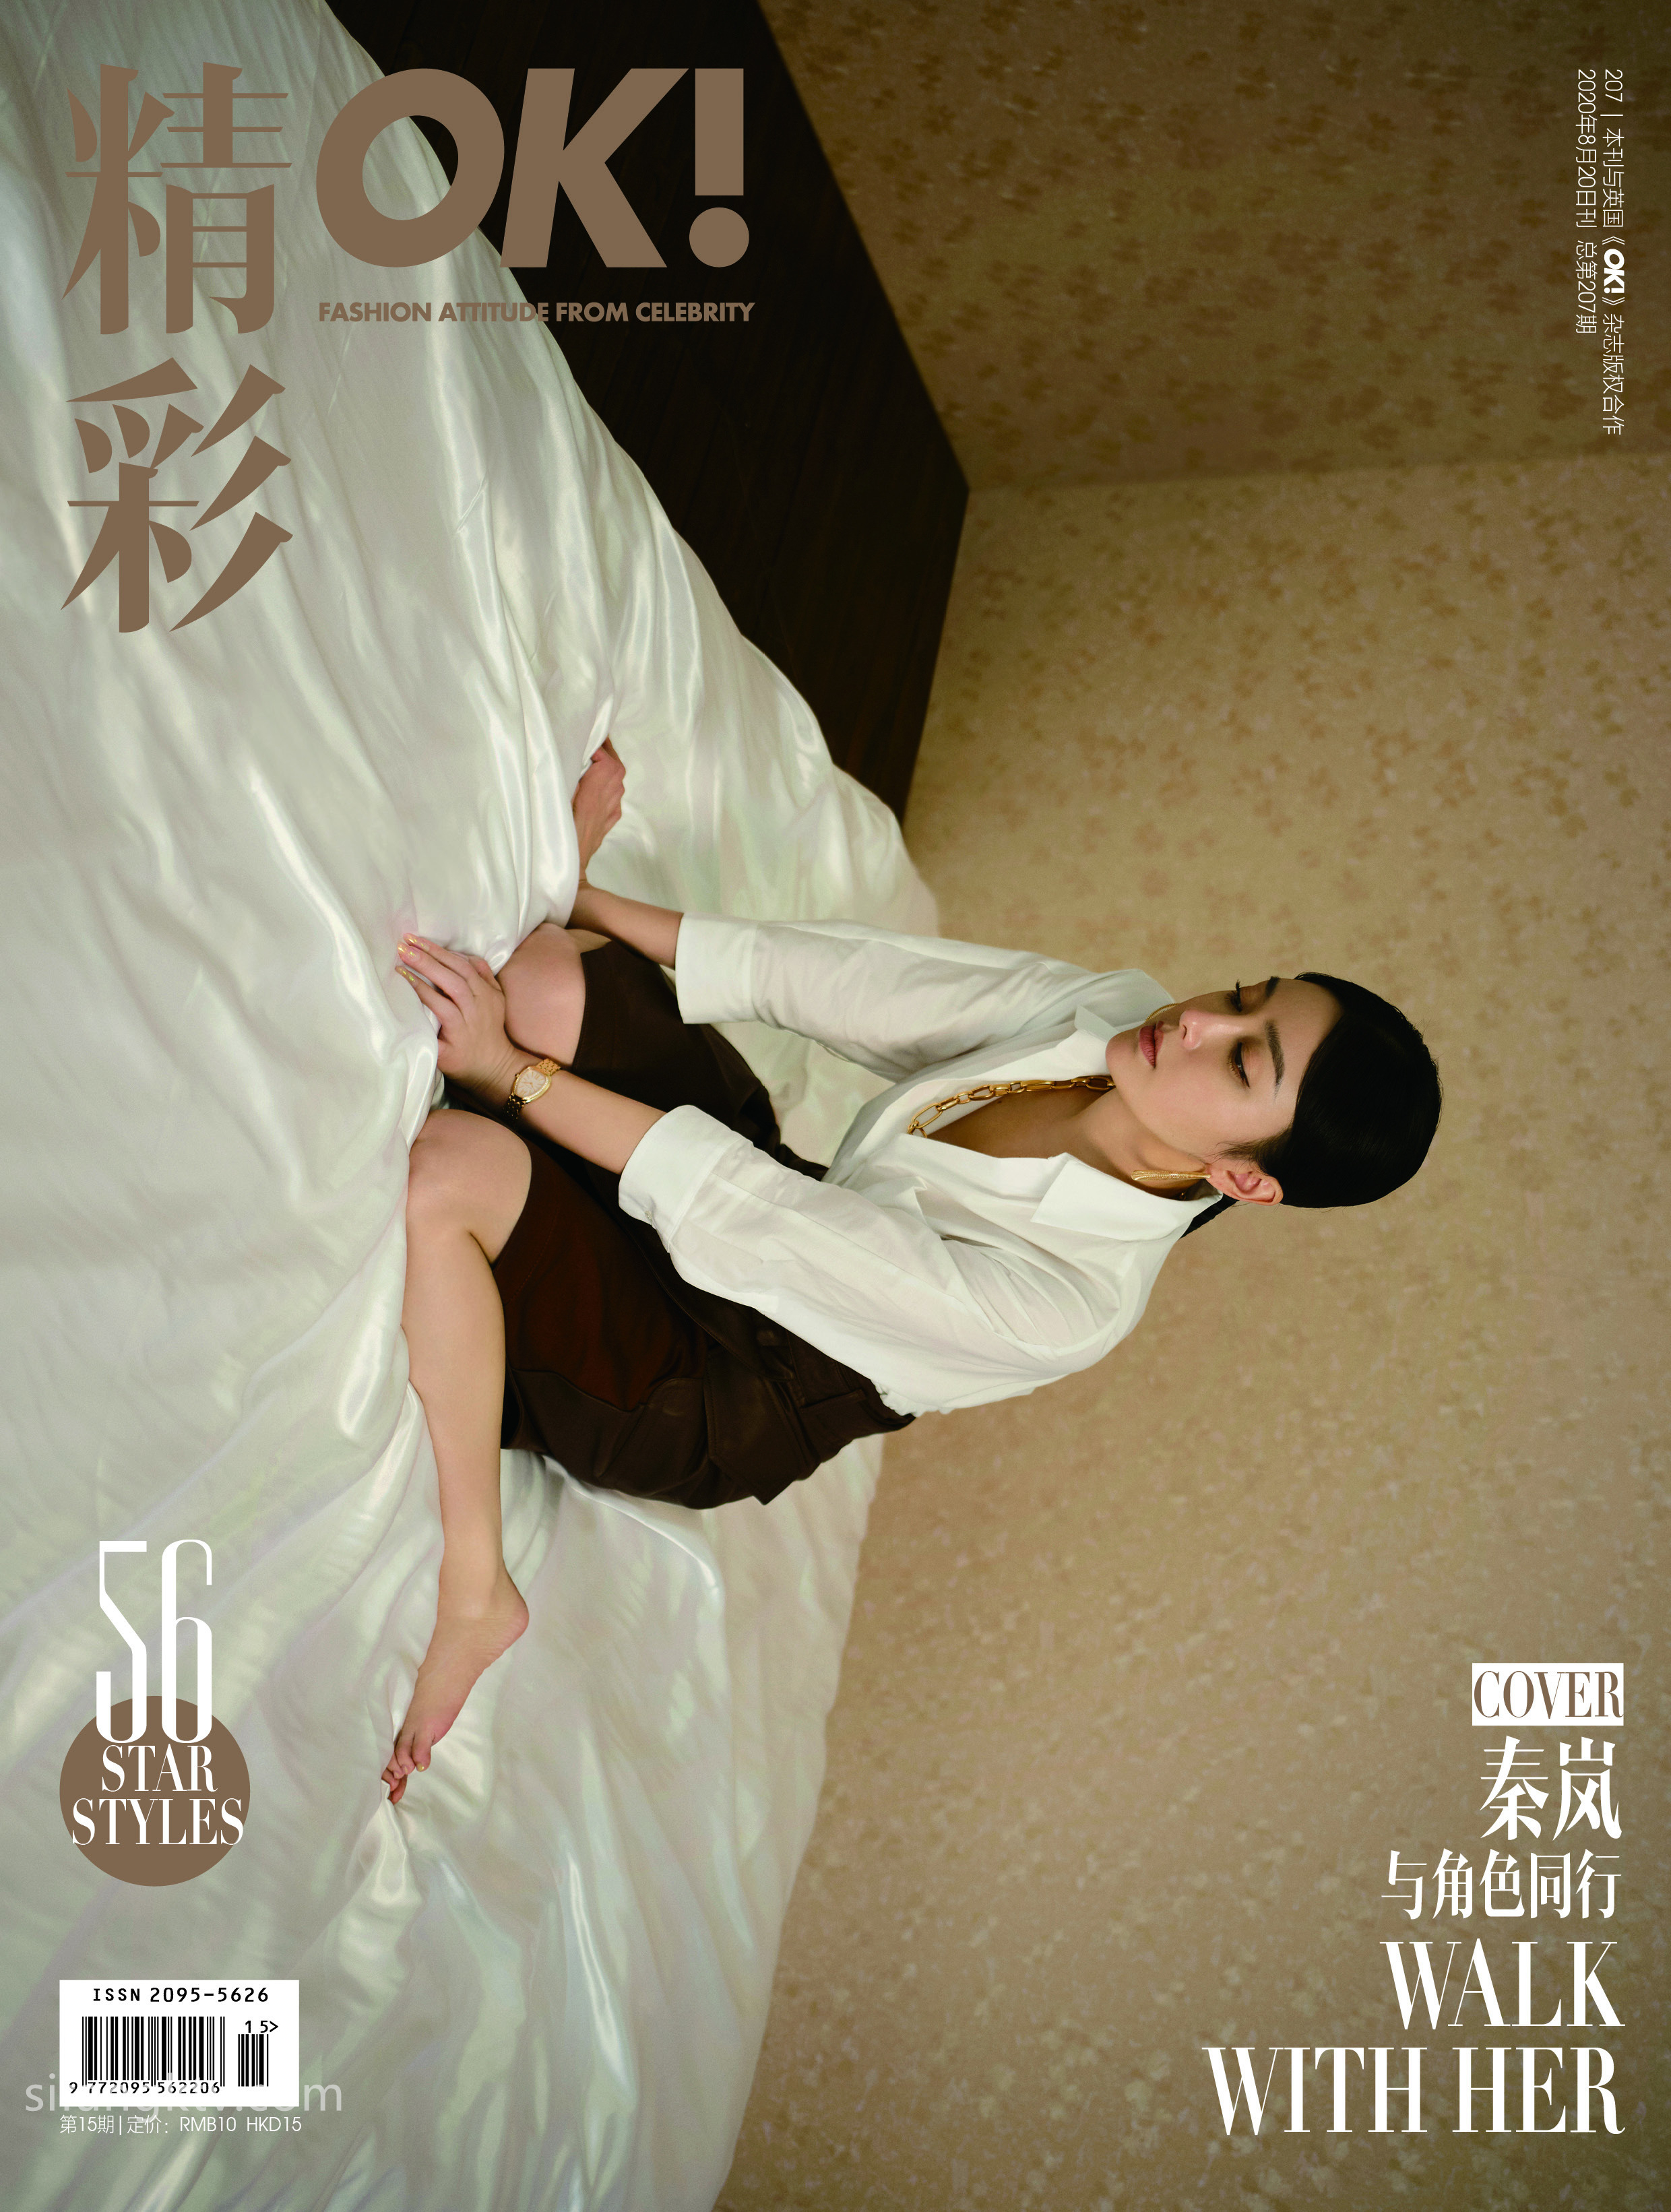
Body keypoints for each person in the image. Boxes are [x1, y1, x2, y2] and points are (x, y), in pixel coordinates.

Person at [381, 744, 1441, 1802]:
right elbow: (859, 984)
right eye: (1247, 994)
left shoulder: (1072, 1304)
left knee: (454, 1170)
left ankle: (478, 1587)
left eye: (1242, 1059)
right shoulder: (1121, 1013)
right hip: (786, 1200)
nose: (1199, 1020)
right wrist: (583, 901)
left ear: (1244, 1180)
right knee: (542, 976)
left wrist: (510, 1076)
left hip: (722, 1379)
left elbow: (755, 1218)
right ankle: (540, 1091)